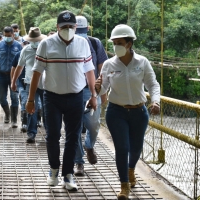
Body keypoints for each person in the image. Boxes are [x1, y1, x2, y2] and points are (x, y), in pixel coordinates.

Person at [26, 10, 97, 191]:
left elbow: (89, 70)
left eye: (71, 26)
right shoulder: (46, 44)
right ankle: (53, 170)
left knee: (73, 137)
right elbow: (37, 72)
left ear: (76, 27)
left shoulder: (83, 44)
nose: (68, 29)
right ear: (57, 27)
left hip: (76, 97)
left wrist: (94, 96)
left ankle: (68, 174)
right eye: (64, 27)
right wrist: (31, 99)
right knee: (52, 136)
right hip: (52, 98)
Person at [95, 24, 160, 200]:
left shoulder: (142, 62)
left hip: (139, 112)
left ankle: (131, 169)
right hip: (116, 112)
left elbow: (153, 84)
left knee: (136, 147)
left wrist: (155, 101)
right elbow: (102, 91)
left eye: (120, 42)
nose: (116, 46)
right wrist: (97, 87)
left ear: (129, 44)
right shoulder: (109, 64)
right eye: (114, 43)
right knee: (122, 148)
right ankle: (124, 185)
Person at [73, 16, 108, 176]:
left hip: (91, 89)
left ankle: (89, 145)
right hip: (72, 91)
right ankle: (79, 162)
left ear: (87, 29)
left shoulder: (95, 43)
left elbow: (102, 69)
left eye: (82, 31)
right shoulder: (67, 44)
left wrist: (103, 93)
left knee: (93, 125)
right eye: (77, 31)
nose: (80, 34)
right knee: (74, 127)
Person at [10, 27, 47, 143]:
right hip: (30, 83)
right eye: (33, 40)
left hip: (46, 84)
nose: (35, 42)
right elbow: (19, 67)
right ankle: (31, 133)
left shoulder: (47, 48)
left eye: (37, 40)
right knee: (31, 108)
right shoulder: (25, 50)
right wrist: (13, 82)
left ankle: (49, 133)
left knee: (47, 109)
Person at [0, 26, 22, 128]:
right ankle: (7, 113)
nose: (7, 37)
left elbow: (22, 62)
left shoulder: (19, 46)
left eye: (9, 36)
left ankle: (14, 120)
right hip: (2, 75)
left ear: (13, 35)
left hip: (14, 76)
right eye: (5, 36)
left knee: (14, 97)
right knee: (1, 97)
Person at [11, 49, 28, 132]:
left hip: (38, 82)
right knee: (24, 101)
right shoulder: (20, 53)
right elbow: (16, 67)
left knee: (38, 104)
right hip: (23, 81)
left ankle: (37, 122)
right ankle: (24, 122)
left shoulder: (42, 51)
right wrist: (13, 82)